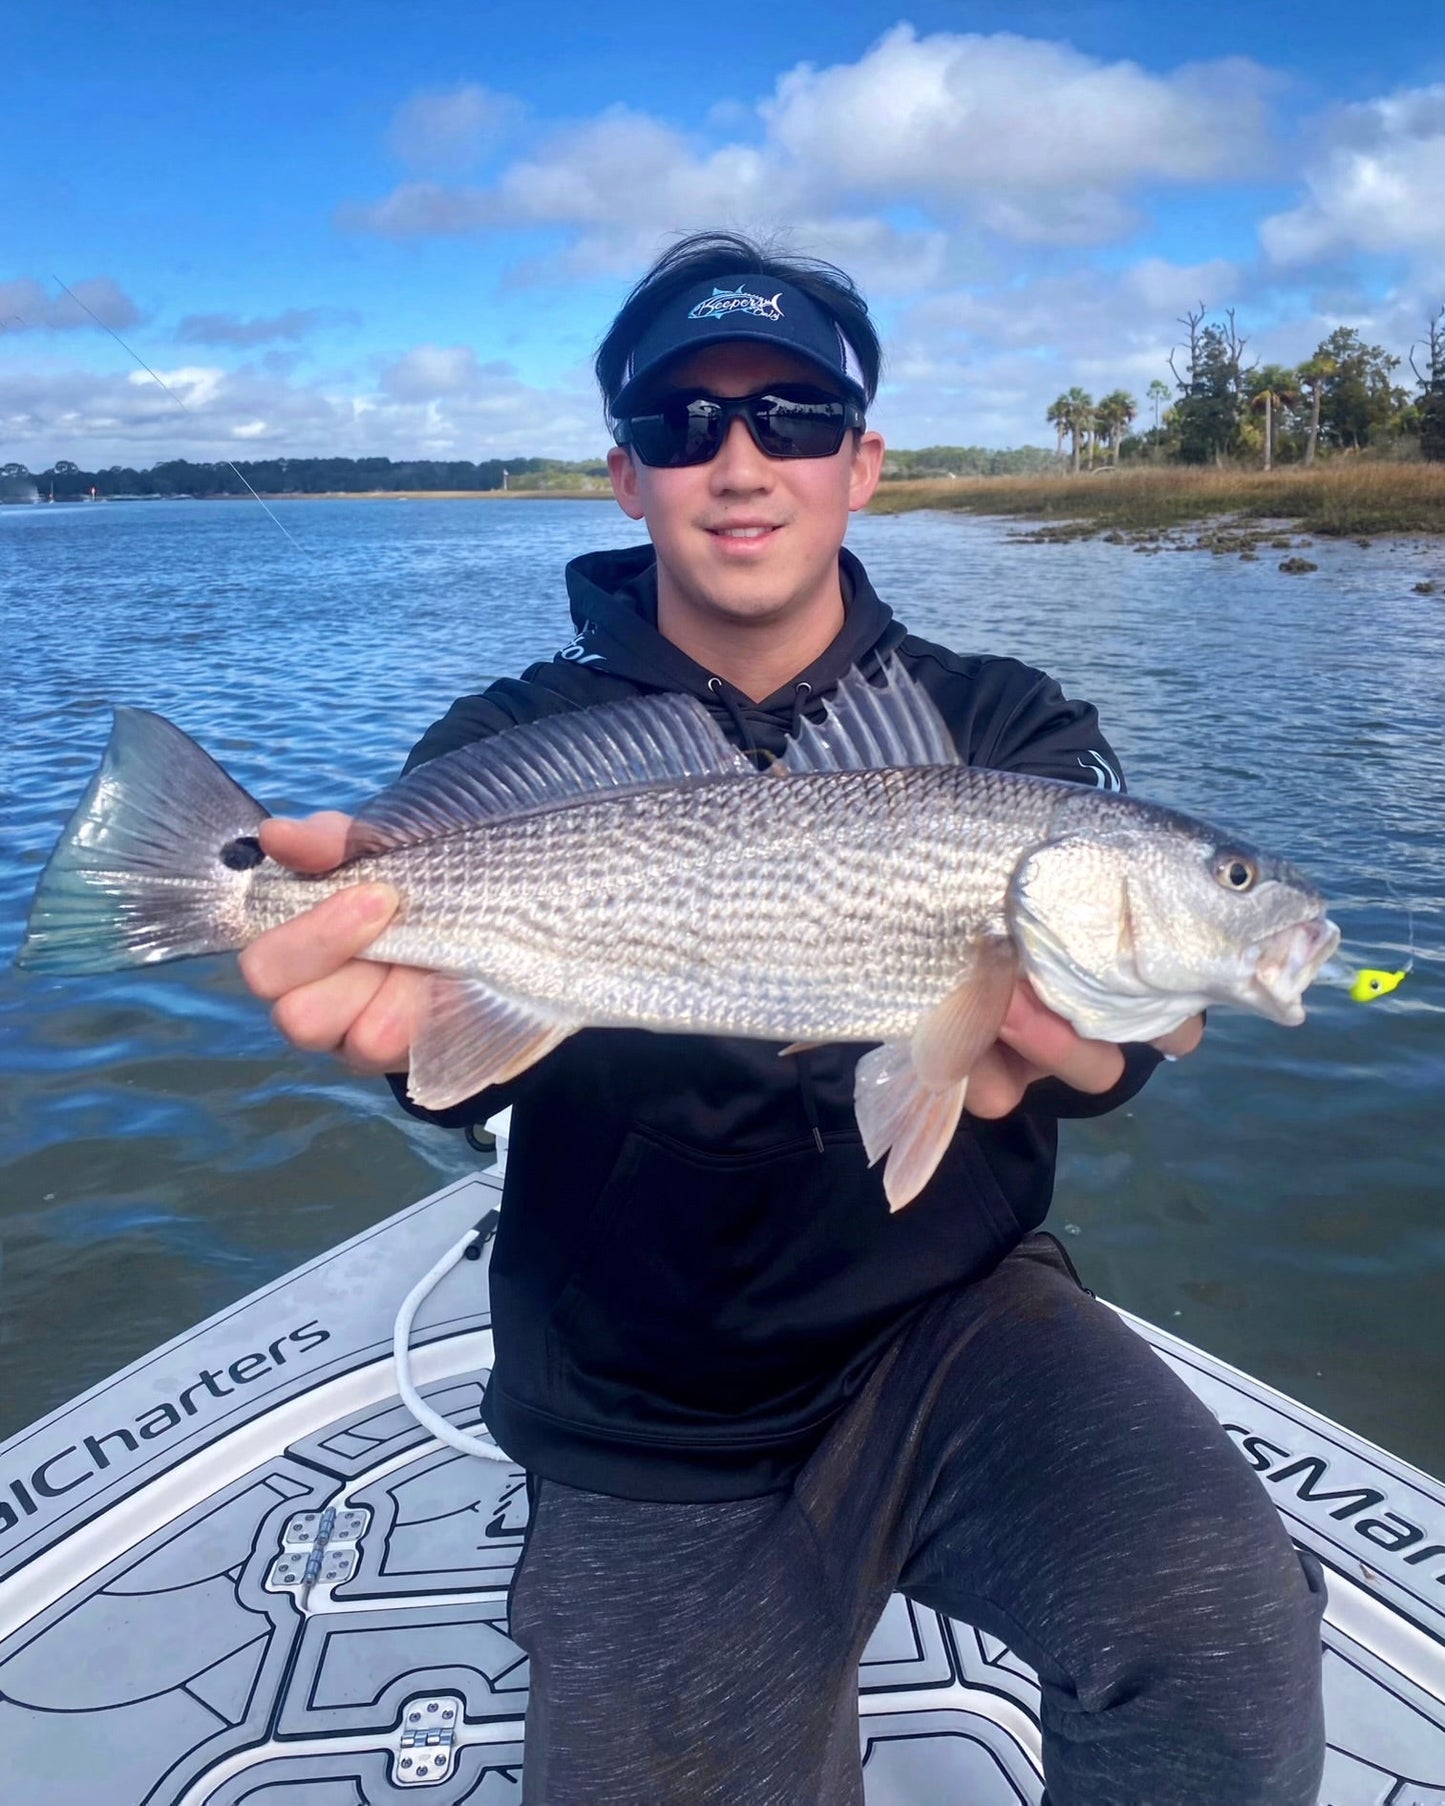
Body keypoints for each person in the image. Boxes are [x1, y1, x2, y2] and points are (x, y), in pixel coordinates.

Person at [239, 234, 1326, 1805]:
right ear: (625, 476)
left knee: (1227, 1638)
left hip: (951, 1319)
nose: (740, 462)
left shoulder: (1004, 731)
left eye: (795, 416)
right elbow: (441, 1060)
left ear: (861, 460)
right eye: (683, 424)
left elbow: (1082, 1045)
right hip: (639, 1389)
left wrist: (1107, 1043)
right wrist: (402, 1042)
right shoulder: (507, 739)